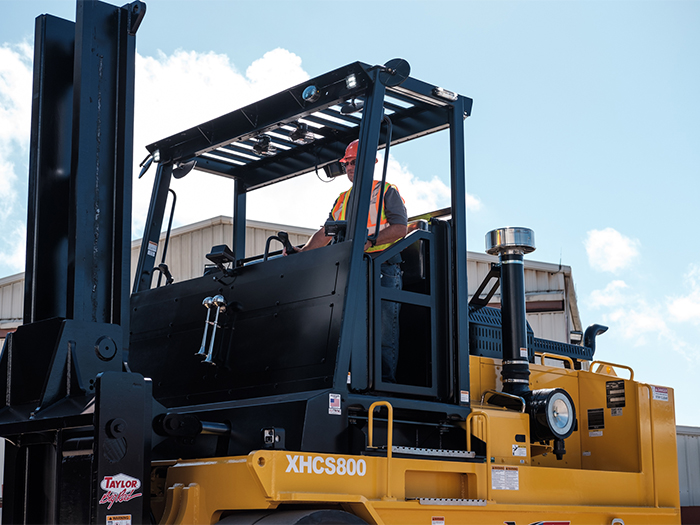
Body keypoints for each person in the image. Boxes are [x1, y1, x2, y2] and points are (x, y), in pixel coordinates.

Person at [289, 140, 407, 382]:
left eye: (354, 162)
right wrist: (304, 252)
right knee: (347, 325)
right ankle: (352, 377)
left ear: (371, 163)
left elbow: (400, 229)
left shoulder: (386, 191)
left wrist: (370, 242)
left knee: (383, 329)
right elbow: (326, 232)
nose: (350, 167)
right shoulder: (343, 198)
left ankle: (384, 382)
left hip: (382, 268)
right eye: (347, 164)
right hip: (351, 268)